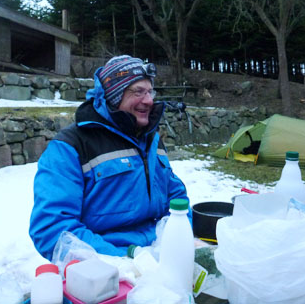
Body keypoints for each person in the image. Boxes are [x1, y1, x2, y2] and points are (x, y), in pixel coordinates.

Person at [29, 55, 190, 260]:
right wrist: (125, 260)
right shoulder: (70, 146)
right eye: (138, 92)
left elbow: (177, 198)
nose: (149, 100)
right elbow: (52, 229)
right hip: (104, 265)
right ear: (115, 96)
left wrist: (180, 237)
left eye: (150, 91)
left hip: (160, 252)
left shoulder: (151, 138)